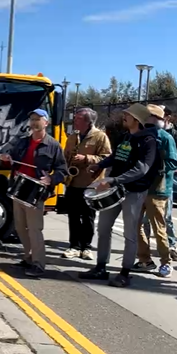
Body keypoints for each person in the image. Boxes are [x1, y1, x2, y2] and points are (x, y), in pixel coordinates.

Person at [79, 104, 159, 287]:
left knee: (130, 233)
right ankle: (100, 267)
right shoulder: (125, 137)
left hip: (134, 191)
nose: (124, 117)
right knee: (104, 228)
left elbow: (142, 169)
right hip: (115, 188)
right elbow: (115, 157)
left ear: (137, 119)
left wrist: (114, 180)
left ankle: (124, 272)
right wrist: (100, 165)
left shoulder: (148, 141)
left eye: (127, 115)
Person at [0, 109, 68, 277]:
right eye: (31, 119)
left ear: (46, 123)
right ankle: (29, 256)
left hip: (36, 191)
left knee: (34, 229)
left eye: (38, 119)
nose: (34, 122)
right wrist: (6, 158)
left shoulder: (53, 145)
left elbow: (62, 171)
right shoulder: (22, 142)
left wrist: (51, 179)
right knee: (19, 227)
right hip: (18, 187)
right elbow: (9, 158)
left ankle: (39, 264)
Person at [133, 104, 177, 277]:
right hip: (140, 188)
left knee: (159, 228)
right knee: (136, 226)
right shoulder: (139, 136)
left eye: (150, 116)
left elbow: (173, 162)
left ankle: (166, 262)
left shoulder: (165, 137)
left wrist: (157, 167)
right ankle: (145, 259)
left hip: (157, 190)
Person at [62, 108, 112, 260]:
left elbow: (106, 157)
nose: (75, 121)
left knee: (88, 216)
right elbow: (65, 156)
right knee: (73, 216)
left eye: (78, 119)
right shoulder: (73, 137)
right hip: (73, 181)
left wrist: (86, 158)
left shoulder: (100, 136)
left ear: (88, 121)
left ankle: (87, 247)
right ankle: (74, 246)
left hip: (90, 184)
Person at [161, 108, 177, 260]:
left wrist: (165, 166)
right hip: (149, 180)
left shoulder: (175, 134)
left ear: (168, 117)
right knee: (145, 218)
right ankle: (145, 249)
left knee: (166, 216)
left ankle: (171, 246)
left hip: (165, 179)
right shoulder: (148, 131)